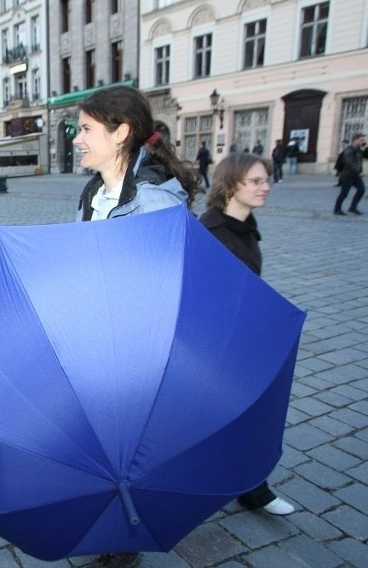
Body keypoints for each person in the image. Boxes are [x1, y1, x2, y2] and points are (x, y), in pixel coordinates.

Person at [72, 85, 201, 568]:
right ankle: (109, 535)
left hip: (134, 356)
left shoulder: (156, 207)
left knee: (126, 450)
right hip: (96, 347)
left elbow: (170, 297)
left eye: (86, 129)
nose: (77, 139)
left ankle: (122, 546)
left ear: (120, 132)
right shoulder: (91, 196)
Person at [198, 152, 297, 517]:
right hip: (216, 349)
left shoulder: (245, 226)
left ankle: (253, 488)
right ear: (230, 184)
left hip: (241, 342)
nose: (265, 187)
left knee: (249, 418)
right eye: (256, 181)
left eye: (266, 180)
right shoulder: (209, 233)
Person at [333, 132, 366, 216]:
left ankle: (353, 207)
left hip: (355, 175)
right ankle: (337, 210)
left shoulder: (359, 150)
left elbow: (364, 157)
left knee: (361, 190)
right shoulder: (349, 150)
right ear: (355, 140)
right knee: (344, 193)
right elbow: (350, 163)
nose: (363, 141)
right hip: (347, 175)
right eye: (361, 140)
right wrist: (360, 172)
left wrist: (366, 147)